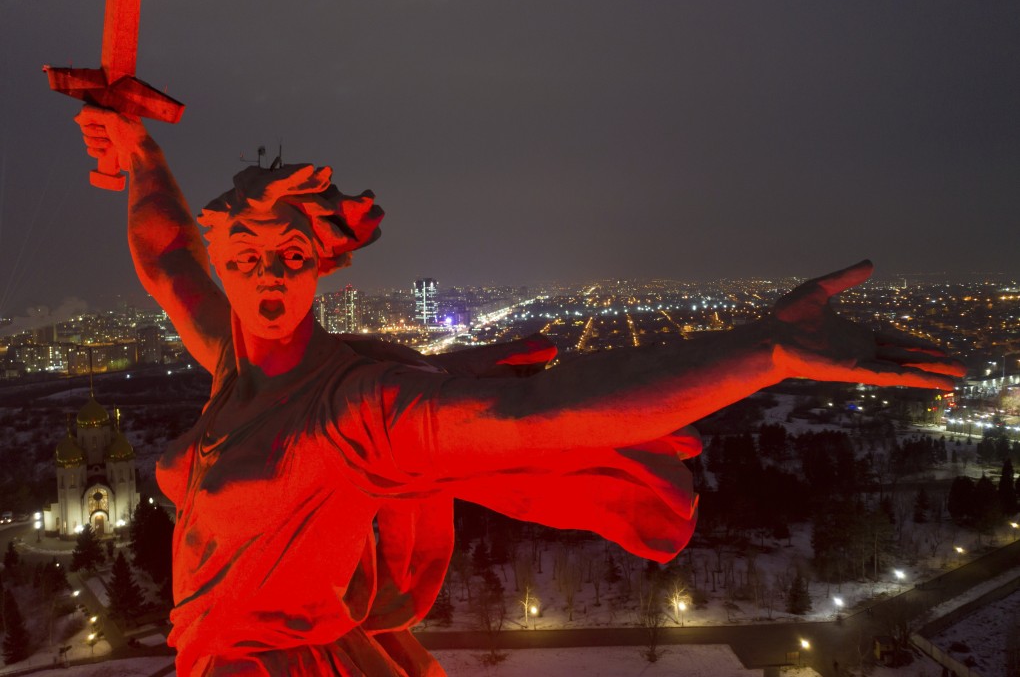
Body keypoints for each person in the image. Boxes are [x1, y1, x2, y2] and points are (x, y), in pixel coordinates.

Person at [75, 106, 963, 676]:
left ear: (324, 265)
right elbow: (164, 259)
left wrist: (763, 352)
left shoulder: (356, 411)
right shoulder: (233, 367)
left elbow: (555, 410)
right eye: (246, 261)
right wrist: (139, 148)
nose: (268, 278)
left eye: (292, 258)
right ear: (224, 268)